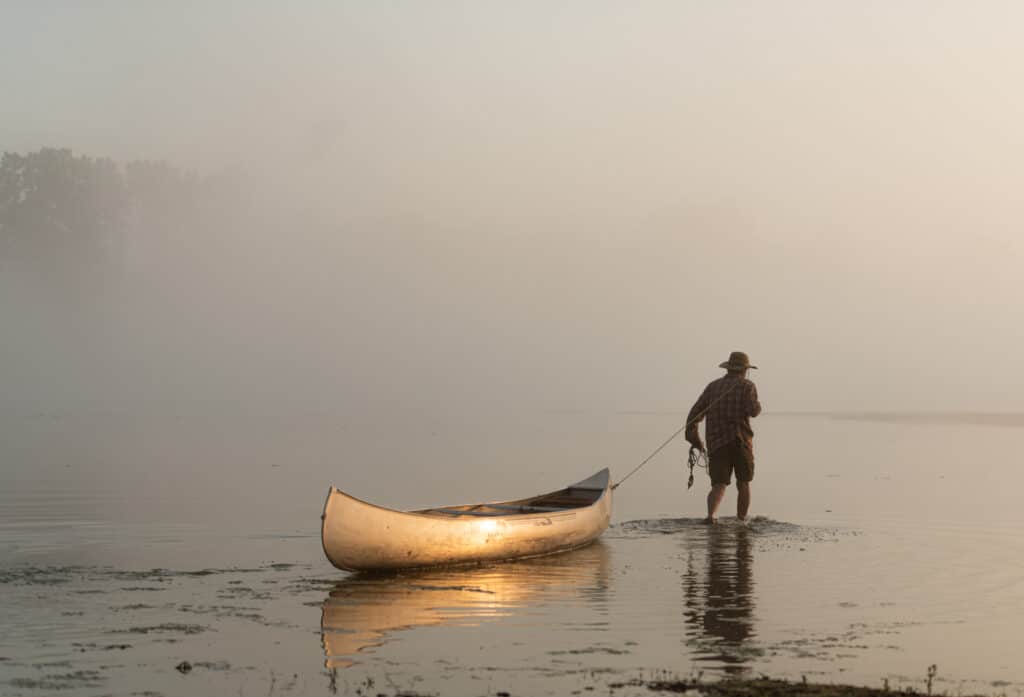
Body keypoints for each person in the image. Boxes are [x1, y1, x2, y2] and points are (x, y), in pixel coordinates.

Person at [685, 351, 762, 523]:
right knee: (743, 482)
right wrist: (757, 405)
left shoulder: (713, 387)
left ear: (728, 368)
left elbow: (694, 413)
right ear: (744, 369)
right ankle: (742, 520)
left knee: (718, 484)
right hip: (740, 441)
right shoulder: (747, 386)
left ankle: (711, 516)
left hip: (717, 443)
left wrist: (694, 438)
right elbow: (753, 411)